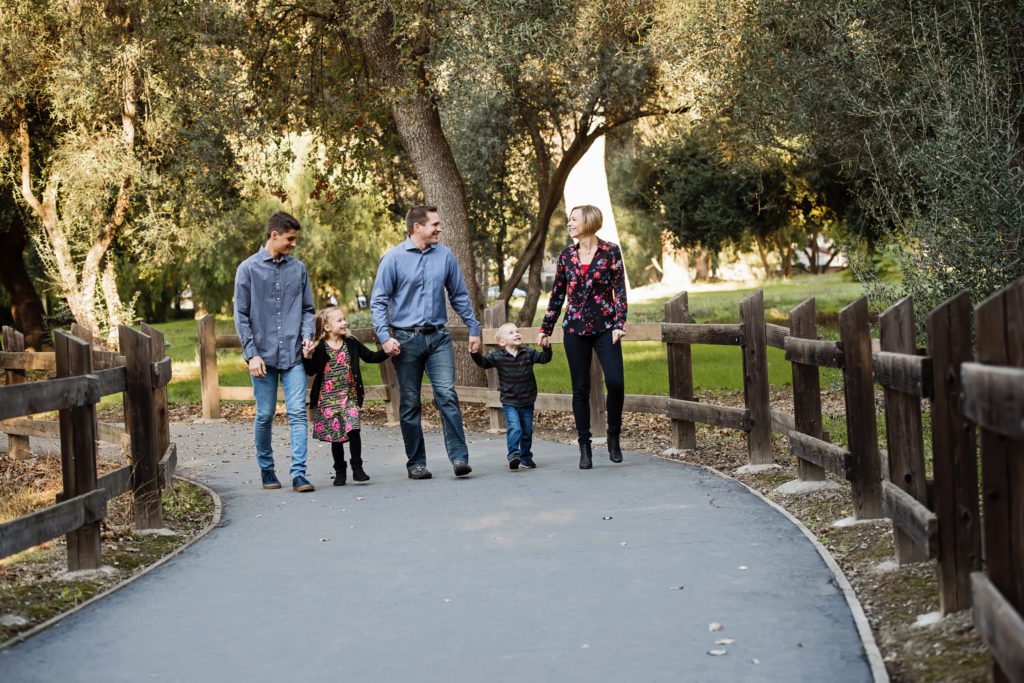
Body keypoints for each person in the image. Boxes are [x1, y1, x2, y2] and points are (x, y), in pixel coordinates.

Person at [370, 205, 482, 480]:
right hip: (405, 340)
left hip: (438, 338)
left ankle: (459, 458)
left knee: (447, 396)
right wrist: (385, 337)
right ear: (417, 227)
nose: (439, 228)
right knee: (409, 402)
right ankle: (416, 463)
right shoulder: (393, 259)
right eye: (435, 224)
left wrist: (474, 327)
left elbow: (458, 294)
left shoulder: (444, 256)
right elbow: (379, 301)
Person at [537, 205, 627, 470]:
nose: (569, 224)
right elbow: (558, 294)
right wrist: (546, 328)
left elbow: (619, 290)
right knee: (580, 389)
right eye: (569, 220)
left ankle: (613, 438)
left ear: (588, 222)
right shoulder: (566, 256)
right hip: (575, 329)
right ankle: (584, 447)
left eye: (573, 219)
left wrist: (620, 322)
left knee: (616, 382)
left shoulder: (610, 251)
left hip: (606, 327)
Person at [234, 211, 317, 492]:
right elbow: (241, 315)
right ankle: (267, 469)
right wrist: (251, 354)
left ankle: (299, 474)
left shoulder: (299, 270)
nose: (294, 244)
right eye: (290, 239)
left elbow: (308, 309)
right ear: (274, 235)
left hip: (294, 355)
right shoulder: (247, 269)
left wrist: (308, 336)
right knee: (265, 414)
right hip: (263, 357)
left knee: (297, 413)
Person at [303, 307, 388, 485]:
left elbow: (371, 357)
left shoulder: (351, 343)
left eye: (344, 319)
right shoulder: (320, 348)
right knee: (337, 437)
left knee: (354, 428)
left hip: (348, 396)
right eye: (339, 320)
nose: (344, 323)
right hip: (328, 399)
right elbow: (310, 371)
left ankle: (358, 468)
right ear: (326, 327)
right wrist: (307, 357)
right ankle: (340, 472)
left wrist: (388, 352)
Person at [471, 323, 552, 470]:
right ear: (502, 342)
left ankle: (526, 458)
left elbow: (545, 359)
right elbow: (483, 363)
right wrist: (475, 353)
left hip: (527, 400)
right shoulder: (497, 356)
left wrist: (546, 348)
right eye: (511, 332)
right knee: (515, 428)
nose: (516, 333)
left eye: (517, 331)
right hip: (510, 401)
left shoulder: (529, 352)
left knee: (527, 431)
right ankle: (513, 455)